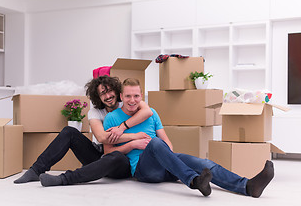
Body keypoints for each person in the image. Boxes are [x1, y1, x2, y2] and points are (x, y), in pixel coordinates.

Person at [103, 78, 274, 198]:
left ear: (142, 97)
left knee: (204, 163)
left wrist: (169, 156)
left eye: (136, 96)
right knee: (155, 143)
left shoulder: (151, 113)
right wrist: (133, 144)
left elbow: (167, 141)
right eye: (128, 96)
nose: (132, 100)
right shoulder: (112, 119)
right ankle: (193, 181)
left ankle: (247, 186)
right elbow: (108, 154)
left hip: (167, 165)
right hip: (144, 171)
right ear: (121, 97)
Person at [14, 75, 152, 185]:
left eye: (110, 90)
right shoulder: (95, 112)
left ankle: (64, 179)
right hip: (101, 153)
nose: (108, 95)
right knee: (69, 132)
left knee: (115, 157)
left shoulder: (129, 102)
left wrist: (123, 128)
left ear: (118, 92)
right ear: (98, 97)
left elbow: (147, 111)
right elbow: (101, 137)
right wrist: (134, 137)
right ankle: (35, 170)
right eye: (103, 93)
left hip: (123, 159)